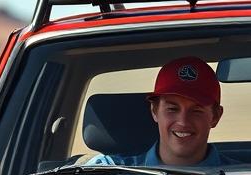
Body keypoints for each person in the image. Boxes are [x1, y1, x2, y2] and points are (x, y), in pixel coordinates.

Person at [89, 56, 231, 168]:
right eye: (172, 109)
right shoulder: (107, 174)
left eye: (196, 111)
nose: (183, 121)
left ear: (216, 116)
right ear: (154, 111)